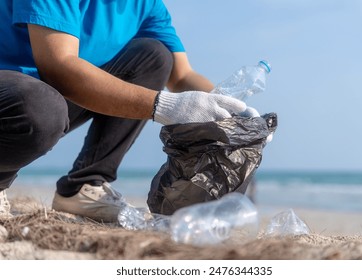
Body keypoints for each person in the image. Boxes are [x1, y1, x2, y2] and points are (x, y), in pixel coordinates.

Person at [0, 0, 258, 222]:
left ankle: (84, 186)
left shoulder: (146, 4)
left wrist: (235, 111)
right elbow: (59, 67)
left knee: (155, 56)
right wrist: (164, 106)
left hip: (52, 99)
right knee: (40, 105)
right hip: (14, 95)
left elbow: (182, 76)